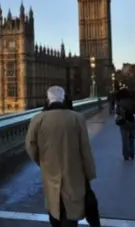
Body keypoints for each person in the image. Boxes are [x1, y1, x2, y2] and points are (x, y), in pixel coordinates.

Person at [26, 86, 97, 227]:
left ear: (47, 100)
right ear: (65, 99)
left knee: (54, 209)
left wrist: (43, 162)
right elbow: (85, 150)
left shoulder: (37, 119)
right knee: (71, 213)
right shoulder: (77, 118)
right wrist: (89, 173)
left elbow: (30, 146)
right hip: (74, 174)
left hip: (50, 172)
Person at [115, 87, 135, 160]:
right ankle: (132, 154)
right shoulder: (132, 101)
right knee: (132, 138)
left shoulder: (120, 102)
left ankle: (126, 155)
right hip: (131, 121)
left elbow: (117, 112)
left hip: (123, 122)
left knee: (125, 139)